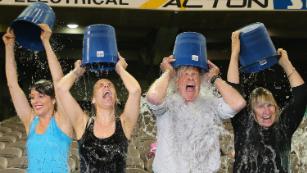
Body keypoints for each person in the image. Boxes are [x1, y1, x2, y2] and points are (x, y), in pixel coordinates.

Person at [146, 55, 246, 173]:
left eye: (194, 75)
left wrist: (214, 77)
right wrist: (168, 72)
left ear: (201, 81)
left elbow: (238, 103)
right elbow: (153, 97)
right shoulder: (167, 103)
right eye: (185, 74)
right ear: (177, 81)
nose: (191, 78)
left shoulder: (211, 103)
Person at [227, 31, 307, 173]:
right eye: (260, 106)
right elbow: (233, 90)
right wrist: (234, 55)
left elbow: (301, 94)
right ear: (252, 111)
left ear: (276, 108)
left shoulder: (283, 127)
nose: (266, 111)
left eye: (270, 105)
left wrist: (286, 64)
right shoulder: (243, 124)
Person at [3, 24, 74, 173]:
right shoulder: (30, 121)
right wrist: (9, 47)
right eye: (33, 97)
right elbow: (12, 85)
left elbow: (58, 81)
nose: (35, 101)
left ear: (54, 99)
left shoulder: (63, 121)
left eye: (41, 96)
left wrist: (46, 43)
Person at [55, 56, 141, 172]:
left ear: (116, 99)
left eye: (110, 85)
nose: (106, 86)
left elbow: (135, 91)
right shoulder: (82, 123)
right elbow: (61, 89)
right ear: (93, 99)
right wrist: (76, 72)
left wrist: (120, 69)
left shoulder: (125, 123)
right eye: (101, 85)